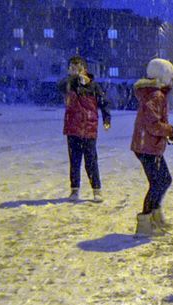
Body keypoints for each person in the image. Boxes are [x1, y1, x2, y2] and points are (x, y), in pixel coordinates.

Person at [131, 58, 173, 236]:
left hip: (149, 145)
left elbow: (154, 123)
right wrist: (170, 131)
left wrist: (167, 132)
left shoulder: (156, 94)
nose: (172, 79)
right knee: (160, 182)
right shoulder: (155, 95)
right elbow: (152, 123)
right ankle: (146, 222)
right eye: (170, 75)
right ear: (162, 76)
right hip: (147, 147)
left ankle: (155, 216)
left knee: (162, 180)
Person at [57, 56, 111, 202]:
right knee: (74, 161)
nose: (74, 70)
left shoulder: (93, 86)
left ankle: (96, 189)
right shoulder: (68, 84)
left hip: (89, 129)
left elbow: (103, 102)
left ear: (84, 69)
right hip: (73, 129)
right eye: (72, 67)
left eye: (78, 67)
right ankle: (74, 190)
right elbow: (60, 86)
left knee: (91, 161)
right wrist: (73, 79)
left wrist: (107, 118)